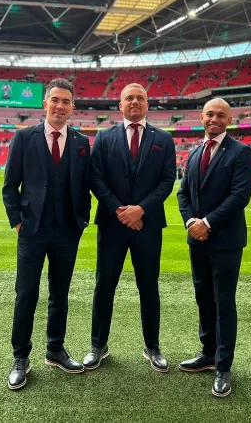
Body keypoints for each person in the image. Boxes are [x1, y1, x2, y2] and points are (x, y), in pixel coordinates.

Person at [2, 78, 91, 390]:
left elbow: (83, 187)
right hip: (33, 229)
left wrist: (82, 221)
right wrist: (18, 221)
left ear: (72, 107)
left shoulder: (81, 142)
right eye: (55, 100)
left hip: (67, 230)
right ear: (45, 104)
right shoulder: (24, 137)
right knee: (26, 293)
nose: (60, 106)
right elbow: (10, 185)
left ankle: (55, 349)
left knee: (60, 294)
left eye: (66, 101)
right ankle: (20, 356)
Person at [83, 83, 176, 373]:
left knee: (149, 287)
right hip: (112, 224)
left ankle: (152, 346)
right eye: (129, 98)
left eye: (140, 98)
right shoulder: (105, 136)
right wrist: (120, 210)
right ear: (120, 105)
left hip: (148, 225)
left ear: (147, 104)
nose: (135, 102)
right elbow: (96, 178)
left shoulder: (164, 138)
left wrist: (141, 209)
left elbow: (167, 181)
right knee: (104, 286)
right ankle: (98, 345)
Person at [178, 98, 251, 397]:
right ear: (202, 116)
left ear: (229, 119)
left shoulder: (241, 152)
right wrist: (190, 223)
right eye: (210, 114)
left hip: (224, 242)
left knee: (224, 303)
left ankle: (223, 366)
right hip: (196, 241)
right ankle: (208, 353)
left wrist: (206, 223)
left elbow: (239, 197)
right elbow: (183, 193)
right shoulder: (195, 152)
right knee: (203, 299)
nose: (215, 119)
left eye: (221, 115)